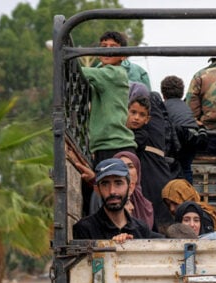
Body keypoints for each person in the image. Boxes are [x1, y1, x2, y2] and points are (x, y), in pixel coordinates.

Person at [80, 32, 137, 164]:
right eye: (104, 46)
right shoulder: (102, 74)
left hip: (115, 145)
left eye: (113, 47)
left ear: (123, 56)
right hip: (107, 145)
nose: (107, 50)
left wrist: (63, 57)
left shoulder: (115, 73)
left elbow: (82, 72)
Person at [73, 158, 162, 241]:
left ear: (130, 187)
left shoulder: (141, 229)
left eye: (118, 183)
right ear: (97, 190)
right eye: (105, 184)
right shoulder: (85, 228)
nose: (112, 191)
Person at [127, 94, 176, 231]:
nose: (136, 118)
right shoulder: (155, 129)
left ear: (148, 119)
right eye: (133, 113)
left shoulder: (139, 135)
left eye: (141, 114)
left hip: (150, 179)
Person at [161, 75, 206, 184]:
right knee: (186, 167)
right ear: (182, 92)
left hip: (176, 139)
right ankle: (188, 190)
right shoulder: (186, 107)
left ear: (163, 93)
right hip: (192, 138)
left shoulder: (162, 107)